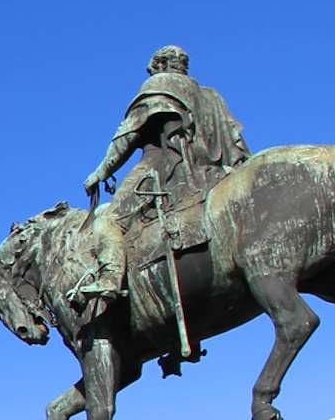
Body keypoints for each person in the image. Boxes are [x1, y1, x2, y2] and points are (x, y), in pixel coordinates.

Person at [74, 46, 251, 312]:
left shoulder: (158, 85)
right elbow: (235, 141)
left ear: (159, 65)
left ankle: (110, 278)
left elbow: (128, 136)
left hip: (162, 168)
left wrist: (100, 173)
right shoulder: (211, 96)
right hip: (212, 172)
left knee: (108, 220)